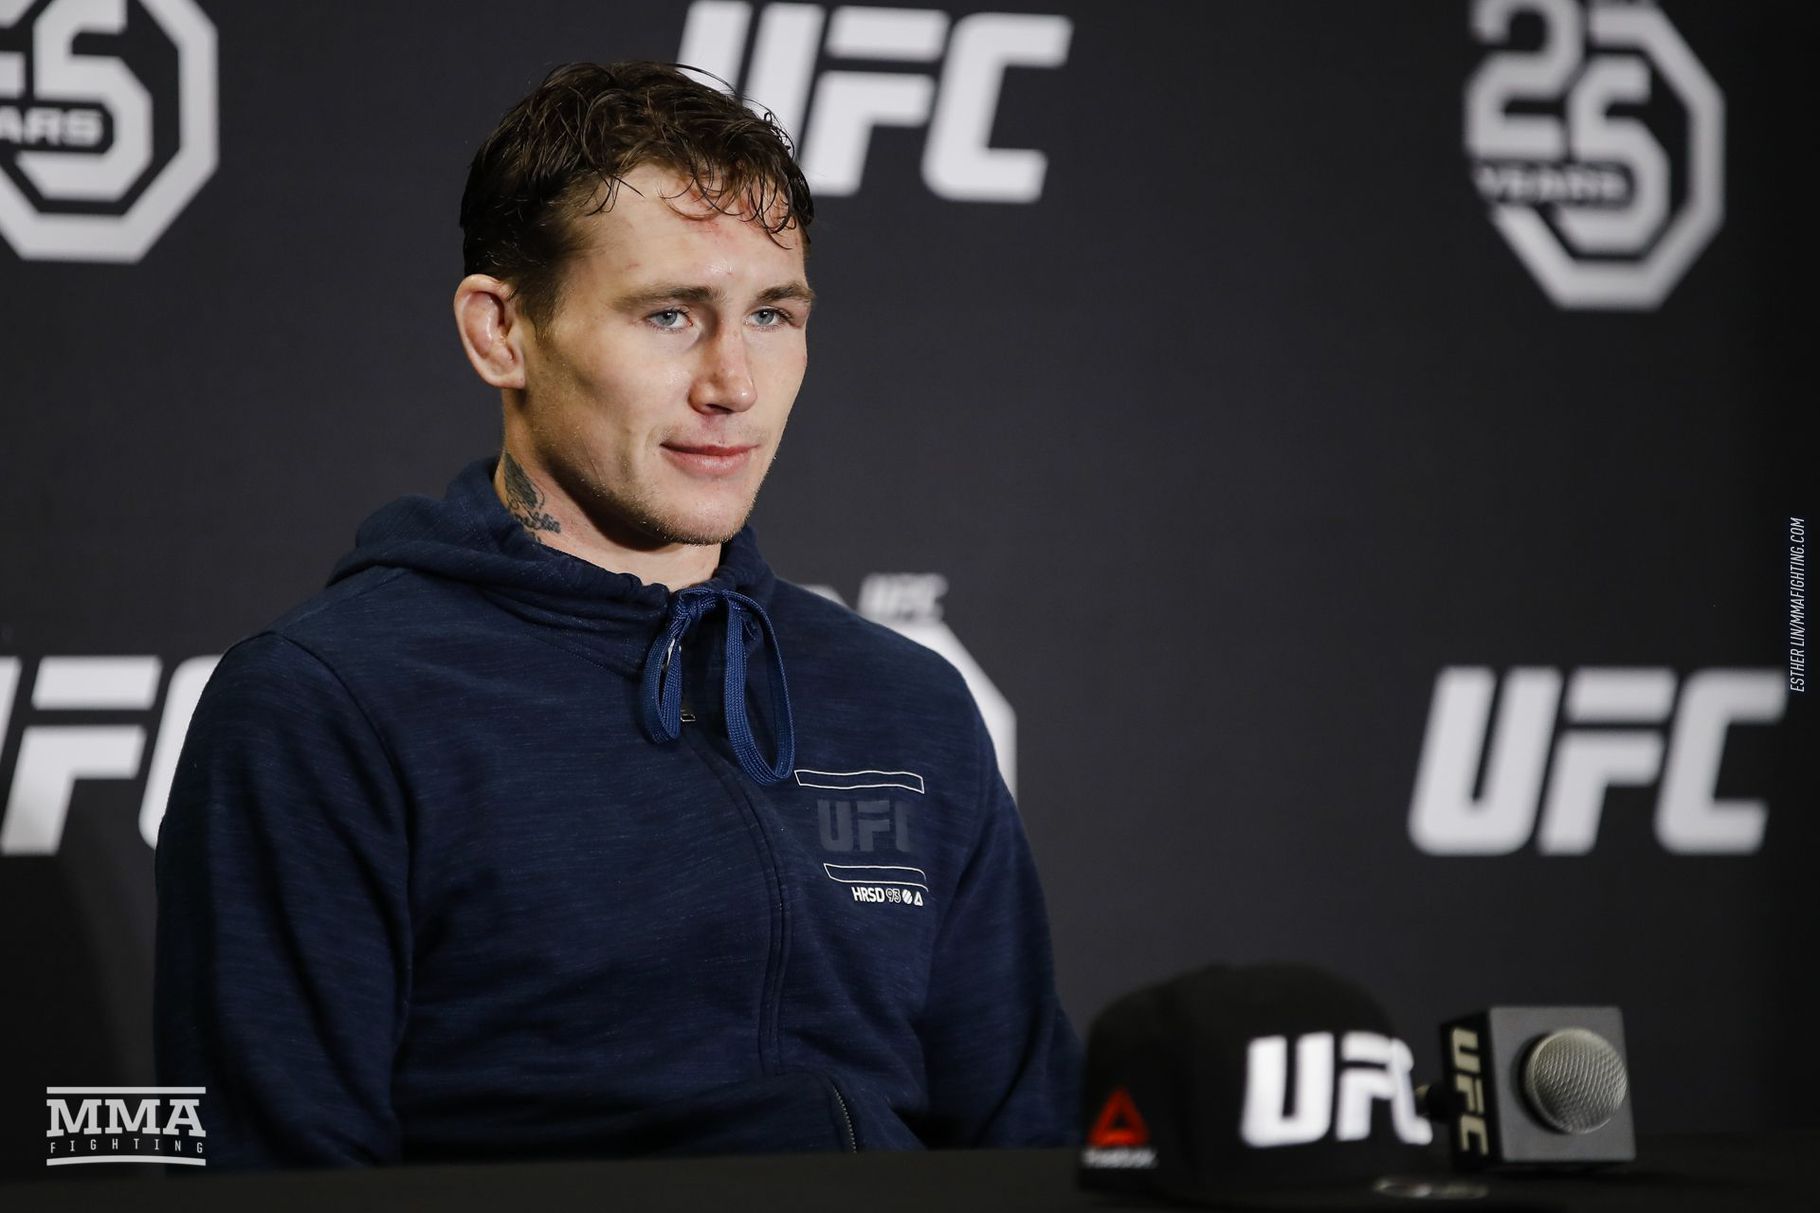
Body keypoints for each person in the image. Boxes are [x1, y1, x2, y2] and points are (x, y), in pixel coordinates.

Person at [153, 60, 1080, 1169]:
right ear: (501, 331)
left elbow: (1027, 1150)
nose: (733, 383)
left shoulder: (905, 703)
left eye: (771, 314)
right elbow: (276, 1174)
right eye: (670, 314)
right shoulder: (326, 706)